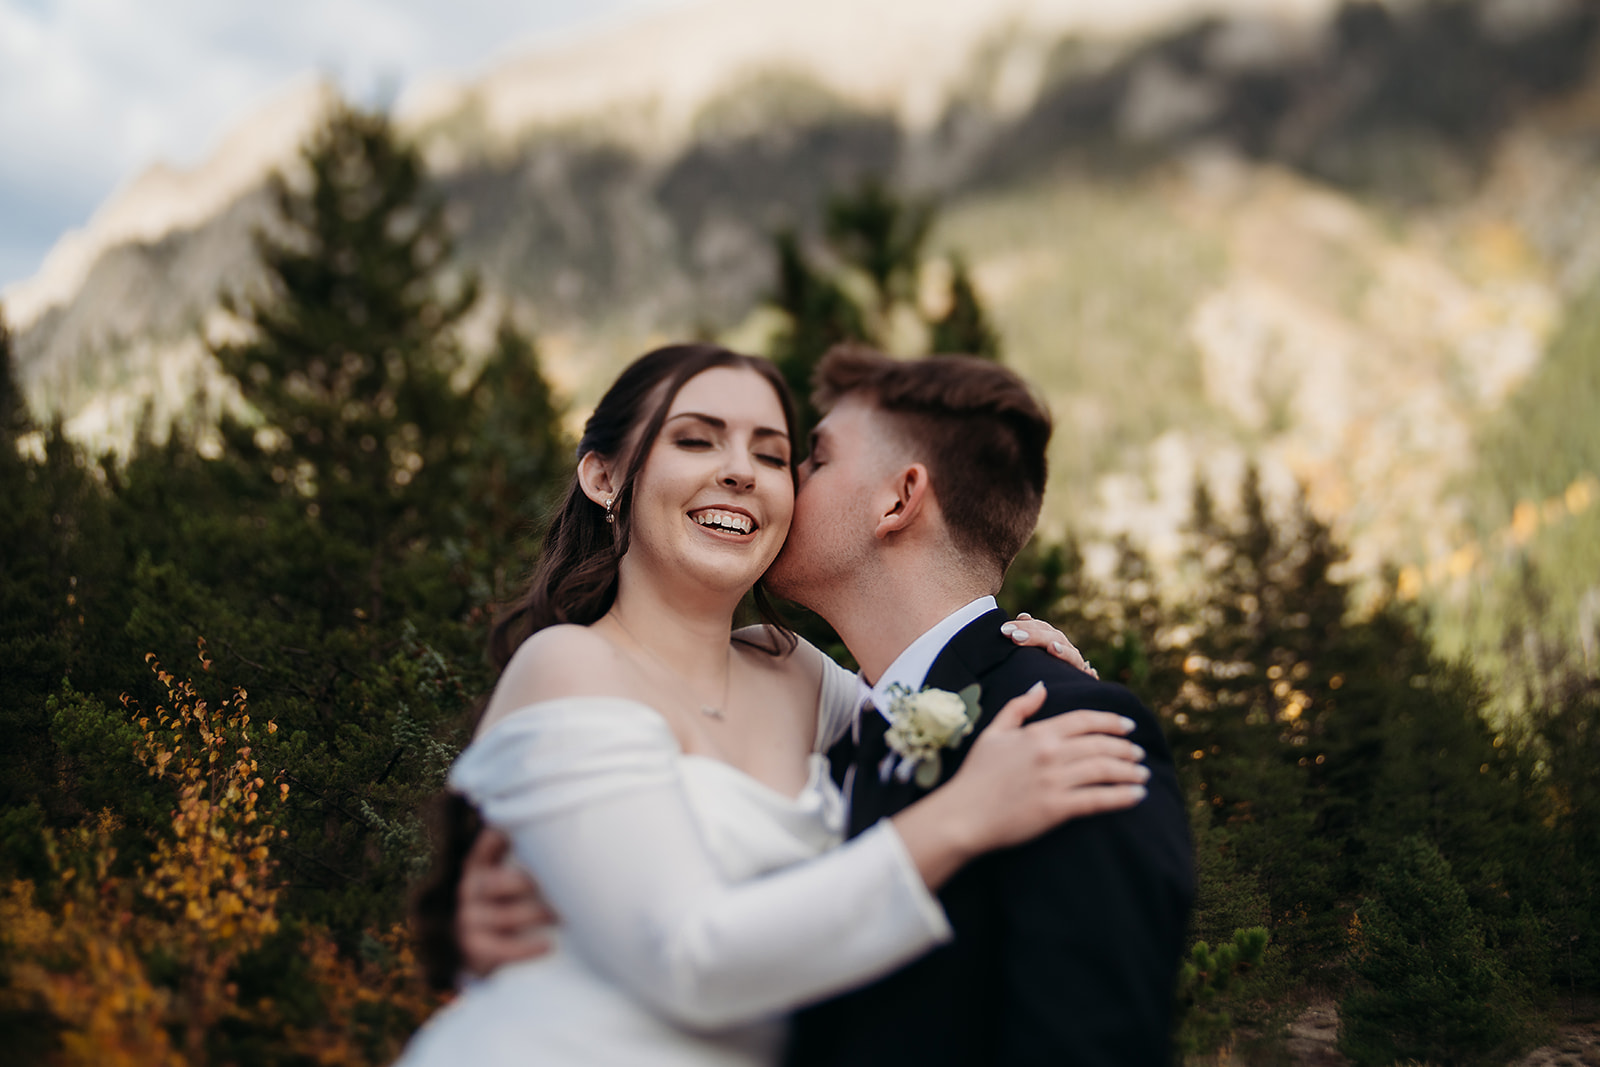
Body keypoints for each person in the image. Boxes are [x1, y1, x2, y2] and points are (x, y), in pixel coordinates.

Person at [396, 343, 1150, 1067]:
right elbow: (686, 957)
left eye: (771, 454)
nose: (740, 473)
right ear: (603, 475)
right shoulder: (568, 664)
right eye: (696, 440)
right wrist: (963, 816)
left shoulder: (802, 678)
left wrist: (1023, 654)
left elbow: (931, 705)